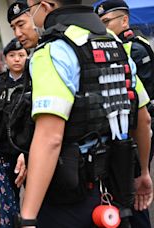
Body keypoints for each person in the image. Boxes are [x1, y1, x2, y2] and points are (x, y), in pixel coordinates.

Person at [15, 0, 153, 227]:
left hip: (69, 197)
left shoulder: (53, 50)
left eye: (30, 8)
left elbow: (50, 138)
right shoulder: (116, 43)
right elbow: (143, 118)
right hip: (115, 191)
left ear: (45, 4)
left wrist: (28, 217)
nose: (31, 14)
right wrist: (144, 174)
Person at [93, 1, 154, 227]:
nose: (104, 27)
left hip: (136, 134)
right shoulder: (114, 46)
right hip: (122, 134)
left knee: (134, 196)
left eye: (107, 21)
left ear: (124, 20)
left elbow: (141, 109)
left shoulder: (133, 48)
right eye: (100, 23)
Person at [0, 38, 28, 202]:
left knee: (33, 189)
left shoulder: (34, 81)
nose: (17, 59)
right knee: (8, 195)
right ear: (5, 59)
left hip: (25, 148)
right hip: (3, 148)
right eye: (12, 55)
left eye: (21, 55)